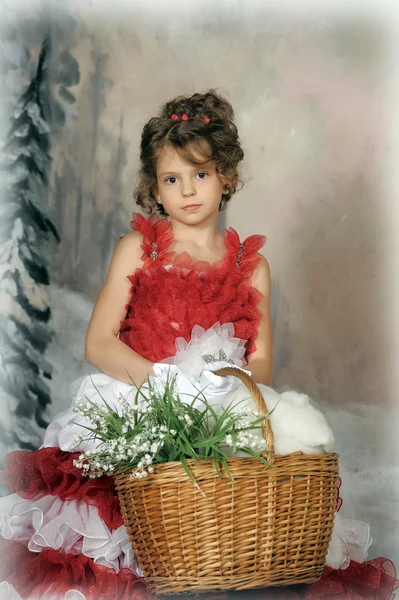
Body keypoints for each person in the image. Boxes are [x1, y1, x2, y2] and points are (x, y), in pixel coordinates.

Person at [0, 90, 397, 600]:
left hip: (220, 399)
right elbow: (99, 343)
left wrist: (222, 387)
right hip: (142, 394)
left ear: (226, 177)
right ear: (154, 189)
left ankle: (226, 556)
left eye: (201, 174)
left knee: (256, 487)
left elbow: (263, 361)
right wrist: (164, 383)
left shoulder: (251, 267)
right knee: (130, 511)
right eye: (172, 179)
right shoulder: (138, 250)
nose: (188, 190)